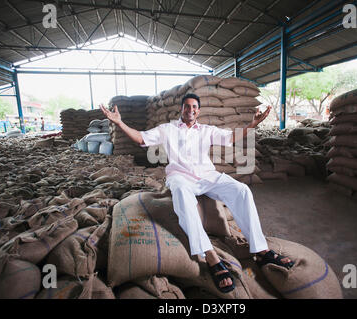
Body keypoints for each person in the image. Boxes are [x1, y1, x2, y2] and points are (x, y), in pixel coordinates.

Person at [100, 93, 294, 293]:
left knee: (242, 190)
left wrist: (252, 124)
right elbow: (142, 139)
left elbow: (230, 137)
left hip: (207, 176)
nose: (190, 110)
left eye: (194, 107)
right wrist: (120, 123)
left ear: (198, 111)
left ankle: (261, 250)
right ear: (181, 109)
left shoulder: (206, 130)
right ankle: (210, 256)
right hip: (181, 177)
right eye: (187, 107)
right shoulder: (168, 129)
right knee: (183, 195)